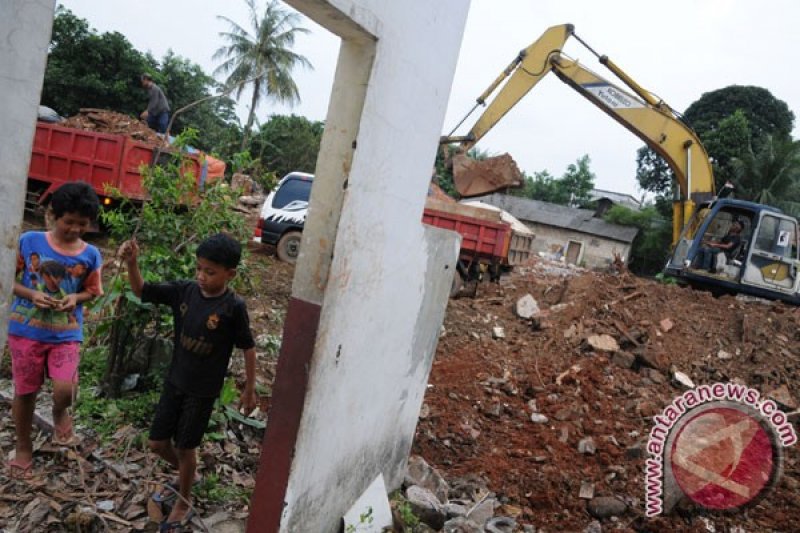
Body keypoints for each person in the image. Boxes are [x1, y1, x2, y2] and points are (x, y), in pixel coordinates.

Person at [119, 233, 256, 531]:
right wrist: (132, 263)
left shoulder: (233, 308)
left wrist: (249, 388)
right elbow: (141, 290)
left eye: (210, 271)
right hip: (175, 381)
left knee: (185, 448)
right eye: (199, 269)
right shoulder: (185, 291)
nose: (202, 276)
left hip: (202, 391)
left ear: (229, 273)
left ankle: (184, 498)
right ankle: (187, 475)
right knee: (157, 443)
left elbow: (248, 347)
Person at [7, 182, 103, 479]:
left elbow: (93, 291)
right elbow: (7, 279)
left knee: (66, 390)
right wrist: (30, 294)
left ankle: (59, 412)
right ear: (53, 216)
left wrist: (75, 298)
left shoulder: (91, 255)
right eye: (69, 222)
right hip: (26, 332)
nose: (74, 229)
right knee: (26, 393)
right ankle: (23, 447)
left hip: (66, 334)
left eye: (82, 224)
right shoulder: (29, 241)